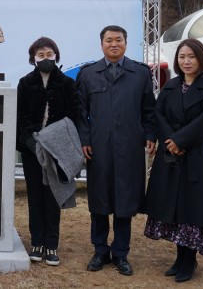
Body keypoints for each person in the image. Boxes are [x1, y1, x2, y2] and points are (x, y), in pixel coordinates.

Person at [75, 25, 156, 276]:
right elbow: (80, 112)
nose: (113, 44)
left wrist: (150, 135)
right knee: (99, 200)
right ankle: (100, 250)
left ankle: (121, 253)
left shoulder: (140, 73)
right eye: (109, 40)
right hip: (98, 146)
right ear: (101, 44)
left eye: (118, 40)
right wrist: (84, 139)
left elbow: (149, 109)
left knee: (125, 200)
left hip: (130, 146)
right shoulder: (88, 74)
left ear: (126, 43)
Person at [143, 38, 203, 283]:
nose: (186, 61)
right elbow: (158, 114)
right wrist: (170, 140)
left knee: (191, 207)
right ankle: (179, 258)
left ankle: (189, 260)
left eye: (191, 56)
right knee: (173, 205)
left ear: (201, 59)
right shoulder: (171, 86)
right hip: (170, 153)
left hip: (195, 152)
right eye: (182, 57)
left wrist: (180, 140)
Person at [16, 37, 80, 266]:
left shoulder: (67, 84)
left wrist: (54, 140)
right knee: (35, 196)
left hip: (57, 150)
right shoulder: (25, 83)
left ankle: (52, 244)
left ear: (56, 56)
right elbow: (20, 117)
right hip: (32, 150)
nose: (45, 58)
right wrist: (31, 142)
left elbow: (73, 115)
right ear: (33, 58)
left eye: (49, 54)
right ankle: (37, 243)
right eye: (41, 55)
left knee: (53, 196)